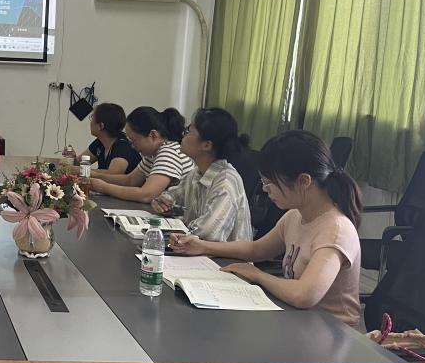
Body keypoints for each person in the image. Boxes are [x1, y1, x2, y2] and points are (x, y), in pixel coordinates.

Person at [170, 130, 362, 325]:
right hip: (299, 320)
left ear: (303, 181)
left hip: (331, 330)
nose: (264, 189)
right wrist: (202, 246)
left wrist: (258, 275)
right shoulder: (295, 216)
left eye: (269, 183)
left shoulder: (336, 230)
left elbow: (304, 295)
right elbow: (257, 249)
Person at [150, 107, 252, 242]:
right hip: (194, 250)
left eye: (189, 131)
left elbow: (208, 233)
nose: (183, 134)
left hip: (223, 255)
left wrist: (179, 228)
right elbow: (173, 196)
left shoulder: (226, 183)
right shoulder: (197, 173)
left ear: (206, 145)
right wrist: (162, 203)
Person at [89, 106, 193, 203]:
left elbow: (147, 195)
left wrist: (103, 187)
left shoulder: (169, 153)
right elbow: (130, 180)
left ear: (153, 135)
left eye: (134, 141)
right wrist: (95, 176)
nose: (132, 146)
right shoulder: (152, 154)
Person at [80, 102, 141, 177]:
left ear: (101, 126)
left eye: (92, 117)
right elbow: (79, 162)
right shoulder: (100, 142)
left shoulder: (123, 146)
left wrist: (81, 170)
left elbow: (113, 174)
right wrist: (71, 157)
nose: (90, 122)